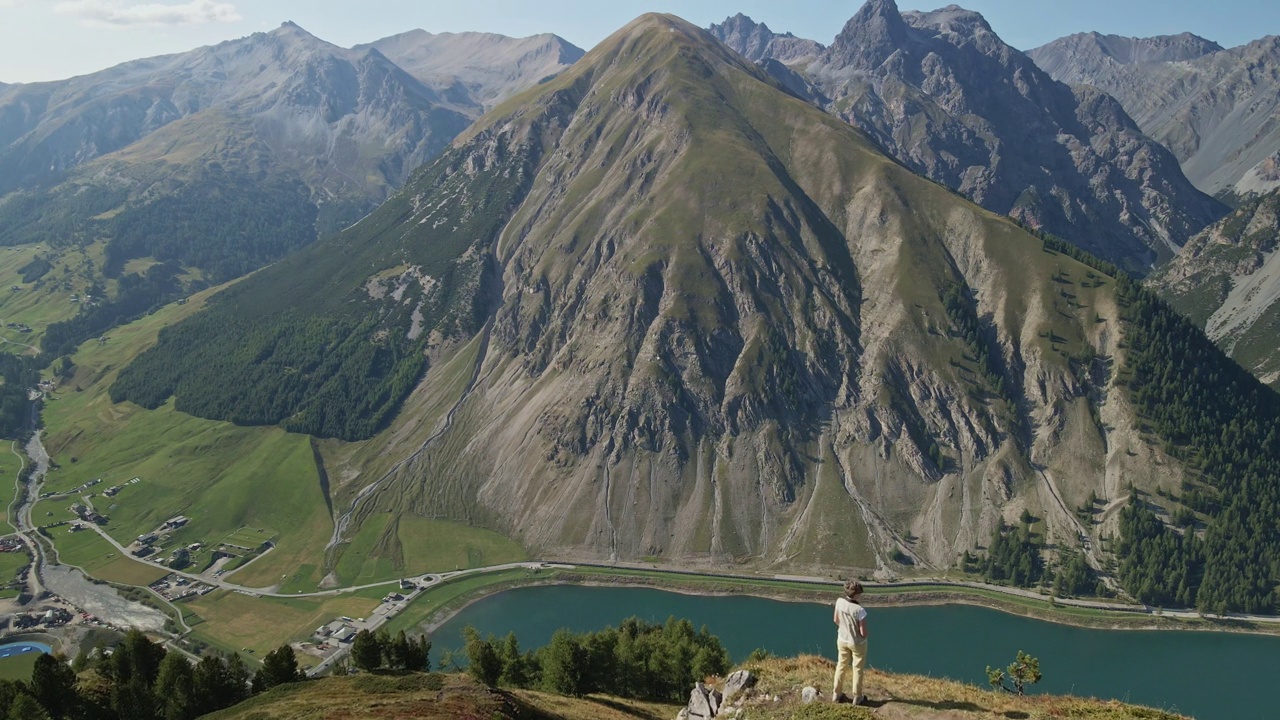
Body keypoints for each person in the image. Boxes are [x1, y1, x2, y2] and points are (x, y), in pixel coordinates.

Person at [832, 579, 868, 705]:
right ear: (857, 594)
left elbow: (836, 620)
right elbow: (863, 633)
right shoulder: (860, 610)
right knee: (857, 668)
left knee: (841, 665)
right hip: (857, 643)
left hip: (842, 639)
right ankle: (857, 697)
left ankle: (836, 693)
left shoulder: (839, 602)